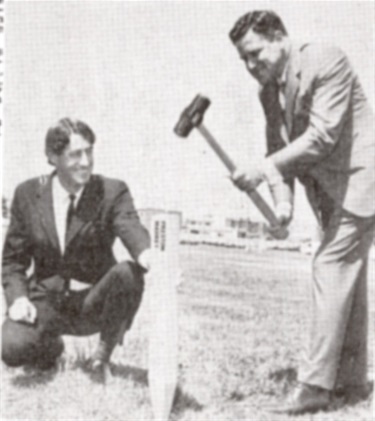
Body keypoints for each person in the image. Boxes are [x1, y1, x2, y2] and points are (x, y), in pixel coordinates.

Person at [229, 10, 375, 414]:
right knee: (348, 277)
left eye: (255, 53)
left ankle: (314, 386)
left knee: (330, 266)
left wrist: (263, 171)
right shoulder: (266, 92)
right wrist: (283, 204)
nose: (250, 65)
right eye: (243, 59)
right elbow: (279, 152)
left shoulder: (326, 59)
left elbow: (321, 136)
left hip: (363, 182)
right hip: (330, 194)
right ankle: (350, 380)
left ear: (279, 37)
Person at [2, 118, 152, 375]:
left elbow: (129, 225)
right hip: (46, 302)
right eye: (75, 154)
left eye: (89, 151)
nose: (86, 162)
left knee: (128, 272)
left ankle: (101, 356)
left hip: (93, 303)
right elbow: (13, 261)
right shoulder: (27, 194)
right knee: (11, 348)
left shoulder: (111, 190)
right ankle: (50, 349)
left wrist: (149, 255)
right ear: (52, 156)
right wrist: (18, 299)